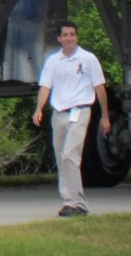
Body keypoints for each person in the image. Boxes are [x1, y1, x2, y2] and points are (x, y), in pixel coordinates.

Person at [32, 20, 112, 217]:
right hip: (59, 113)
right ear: (59, 38)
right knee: (61, 157)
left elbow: (99, 87)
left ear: (76, 37)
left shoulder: (88, 59)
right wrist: (39, 109)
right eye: (65, 35)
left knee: (70, 155)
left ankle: (80, 203)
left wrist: (105, 116)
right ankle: (69, 202)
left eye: (72, 34)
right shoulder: (53, 61)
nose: (69, 38)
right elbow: (46, 86)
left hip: (80, 111)